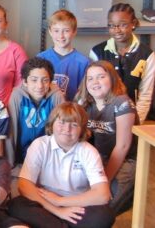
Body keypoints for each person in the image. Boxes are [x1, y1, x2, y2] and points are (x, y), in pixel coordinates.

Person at [9, 102, 115, 228]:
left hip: (76, 205)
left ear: (82, 130)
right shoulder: (40, 145)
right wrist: (58, 211)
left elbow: (103, 195)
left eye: (74, 124)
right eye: (61, 122)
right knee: (16, 206)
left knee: (104, 216)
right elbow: (24, 185)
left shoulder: (89, 151)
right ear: (52, 124)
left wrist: (60, 201)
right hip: (45, 204)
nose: (67, 129)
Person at [75, 61, 138, 215]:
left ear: (112, 79)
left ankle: (129, 194)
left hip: (124, 159)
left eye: (101, 77)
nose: (95, 82)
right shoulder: (84, 104)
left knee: (104, 205)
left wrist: (104, 181)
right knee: (78, 195)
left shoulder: (123, 103)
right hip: (97, 157)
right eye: (90, 78)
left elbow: (122, 147)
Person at [89, 3, 154, 123]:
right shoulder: (97, 52)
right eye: (112, 26)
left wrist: (134, 123)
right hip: (103, 118)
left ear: (133, 24)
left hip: (132, 117)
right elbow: (92, 89)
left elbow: (145, 95)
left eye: (123, 25)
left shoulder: (147, 55)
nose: (117, 30)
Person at [7, 57, 65, 166]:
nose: (39, 86)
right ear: (25, 81)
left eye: (45, 80)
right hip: (21, 158)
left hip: (48, 158)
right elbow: (11, 130)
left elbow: (62, 129)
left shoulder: (56, 96)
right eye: (34, 80)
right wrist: (10, 163)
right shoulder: (17, 96)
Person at [37, 9, 89, 101]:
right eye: (56, 31)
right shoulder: (41, 59)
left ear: (74, 32)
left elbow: (85, 96)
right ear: (50, 31)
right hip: (45, 112)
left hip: (71, 112)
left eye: (66, 31)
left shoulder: (83, 63)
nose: (61, 36)